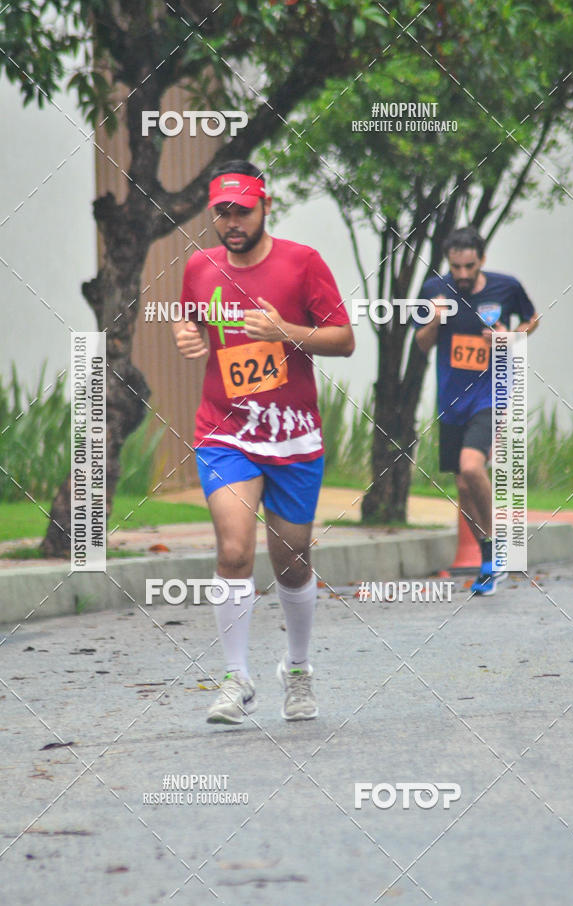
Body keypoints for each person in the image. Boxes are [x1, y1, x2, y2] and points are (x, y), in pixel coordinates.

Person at [174, 160, 354, 724]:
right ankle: (236, 679)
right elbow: (192, 321)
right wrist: (188, 334)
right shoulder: (199, 269)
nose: (230, 222)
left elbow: (344, 340)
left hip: (293, 437)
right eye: (221, 212)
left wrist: (288, 333)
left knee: (292, 562)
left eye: (241, 211)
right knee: (232, 550)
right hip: (225, 431)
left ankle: (296, 669)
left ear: (264, 207)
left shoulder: (303, 264)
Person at [415, 225, 538, 595]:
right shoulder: (434, 290)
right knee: (463, 484)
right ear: (449, 263)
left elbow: (532, 319)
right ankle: (489, 557)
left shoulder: (506, 287)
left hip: (489, 395)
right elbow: (422, 344)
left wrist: (511, 337)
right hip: (451, 401)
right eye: (457, 267)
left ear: (481, 260)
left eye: (470, 266)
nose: (463, 275)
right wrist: (434, 318)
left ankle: (500, 547)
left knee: (472, 467)